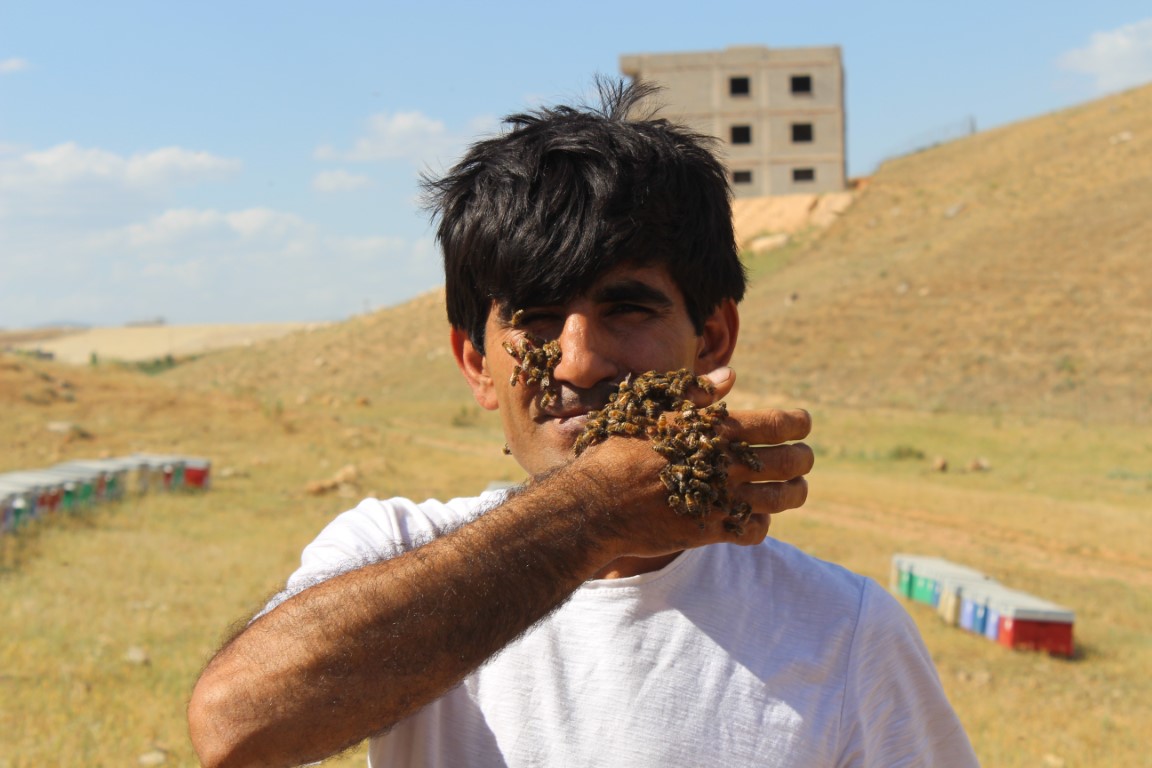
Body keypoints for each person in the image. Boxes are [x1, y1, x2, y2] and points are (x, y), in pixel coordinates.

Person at [188, 80, 978, 767]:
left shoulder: (843, 631)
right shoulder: (391, 549)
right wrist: (593, 512)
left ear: (711, 340)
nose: (578, 361)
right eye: (536, 317)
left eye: (626, 309)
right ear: (476, 364)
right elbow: (235, 728)